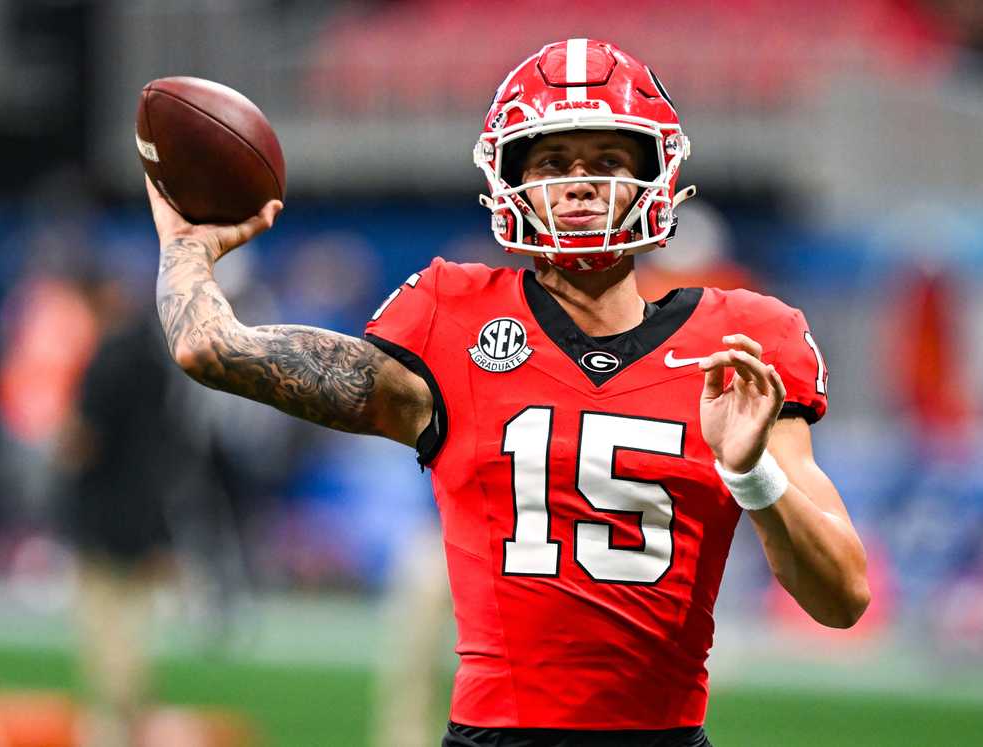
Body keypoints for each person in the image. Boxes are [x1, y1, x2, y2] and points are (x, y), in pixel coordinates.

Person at [147, 39, 869, 747]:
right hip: (498, 734)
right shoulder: (450, 316)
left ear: (658, 174)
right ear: (509, 181)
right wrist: (185, 245)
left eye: (609, 160)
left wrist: (752, 473)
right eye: (553, 162)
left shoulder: (739, 343)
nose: (581, 183)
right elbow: (207, 347)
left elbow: (841, 599)